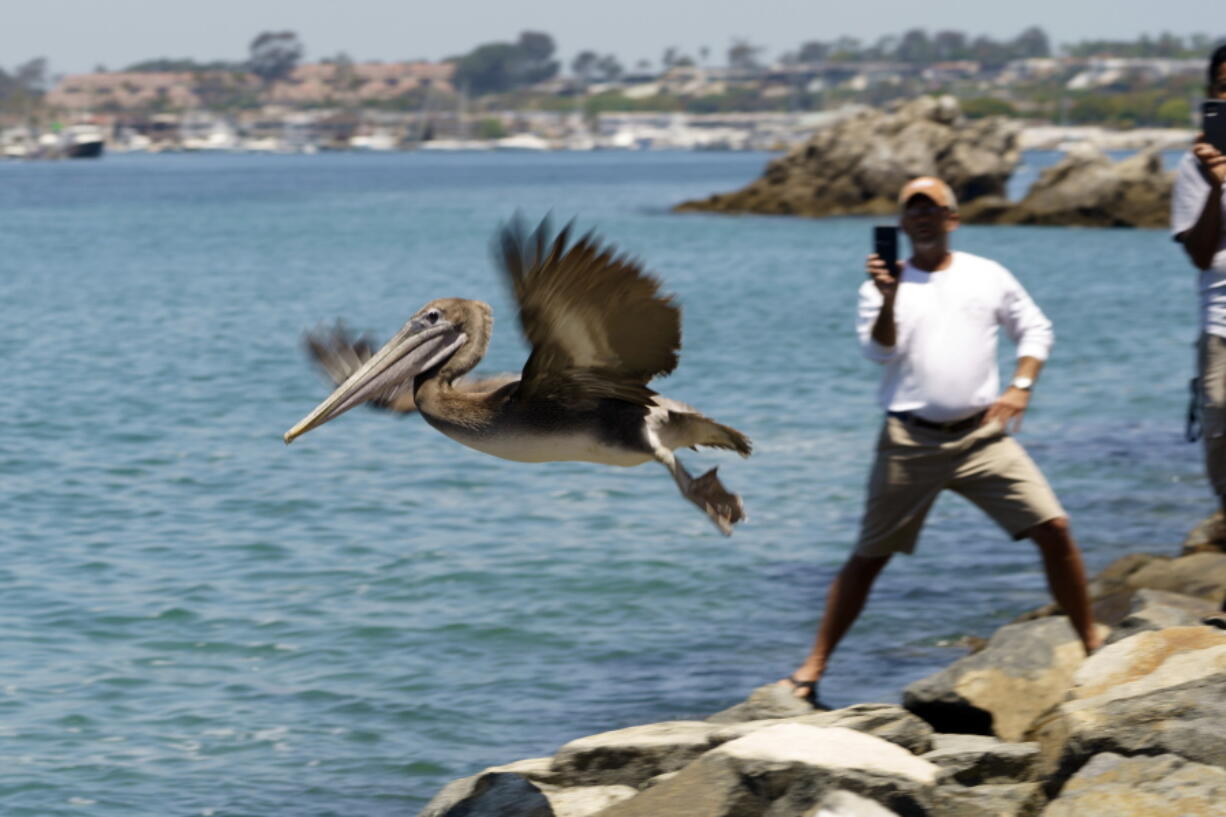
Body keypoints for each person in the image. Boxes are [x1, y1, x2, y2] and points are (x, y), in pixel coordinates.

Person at [781, 177, 1101, 706]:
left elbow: (1036, 330)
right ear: (903, 224)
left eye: (934, 210)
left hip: (983, 438)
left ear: (953, 219)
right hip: (909, 443)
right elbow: (879, 352)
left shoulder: (987, 274)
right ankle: (813, 669)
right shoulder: (883, 285)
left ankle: (1091, 642)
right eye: (914, 211)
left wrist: (1020, 387)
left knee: (1055, 528)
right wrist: (887, 299)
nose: (924, 218)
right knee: (868, 558)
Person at [1173, 45, 1226, 535]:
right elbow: (1199, 254)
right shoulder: (1196, 166)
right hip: (1220, 325)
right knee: (1221, 445)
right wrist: (1216, 186)